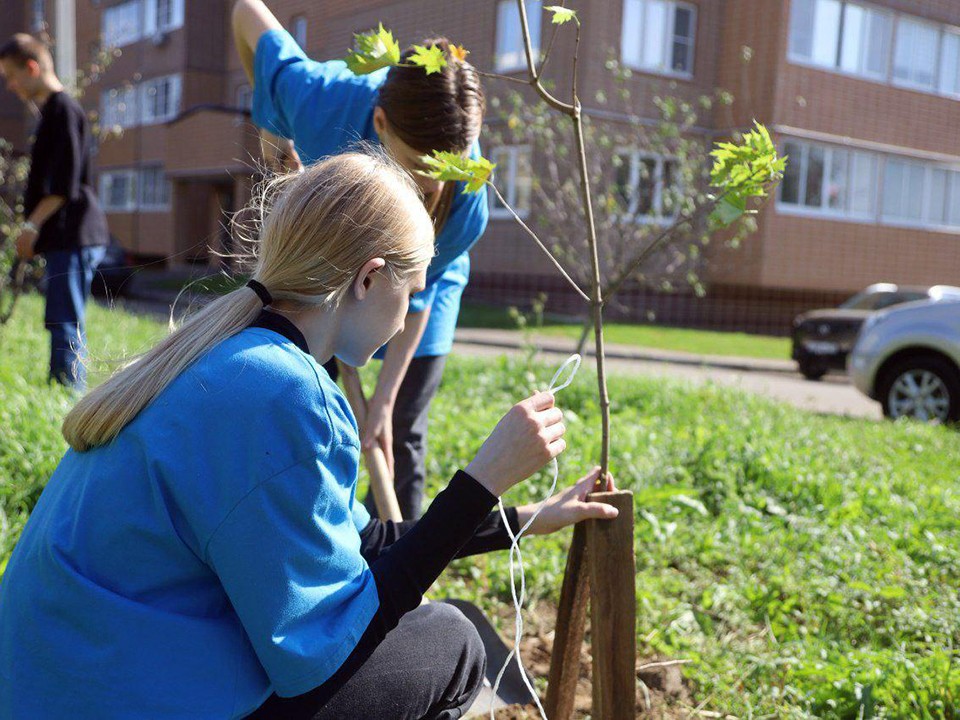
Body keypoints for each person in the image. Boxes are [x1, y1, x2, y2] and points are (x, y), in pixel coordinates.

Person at [0, 151, 618, 719]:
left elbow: (364, 537)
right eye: (413, 291)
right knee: (450, 641)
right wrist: (481, 480)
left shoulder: (233, 355)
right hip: (121, 700)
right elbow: (330, 649)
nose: (408, 318)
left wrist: (528, 516)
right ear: (370, 279)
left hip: (62, 686)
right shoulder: (283, 394)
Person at [233, 0, 488, 520]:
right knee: (311, 407)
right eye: (419, 165)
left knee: (399, 431)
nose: (431, 185)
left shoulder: (466, 202)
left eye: (448, 170)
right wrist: (273, 131)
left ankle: (400, 557)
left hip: (426, 294)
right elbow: (245, 12)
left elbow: (419, 297)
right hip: (330, 269)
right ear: (379, 122)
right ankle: (324, 532)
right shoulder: (322, 104)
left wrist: (385, 402)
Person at [0, 34, 108, 391]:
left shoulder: (63, 110)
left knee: (65, 321)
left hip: (74, 234)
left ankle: (69, 399)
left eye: (11, 76)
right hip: (67, 235)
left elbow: (64, 185)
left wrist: (32, 225)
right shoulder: (53, 112)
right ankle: (62, 391)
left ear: (32, 67)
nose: (11, 86)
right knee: (62, 318)